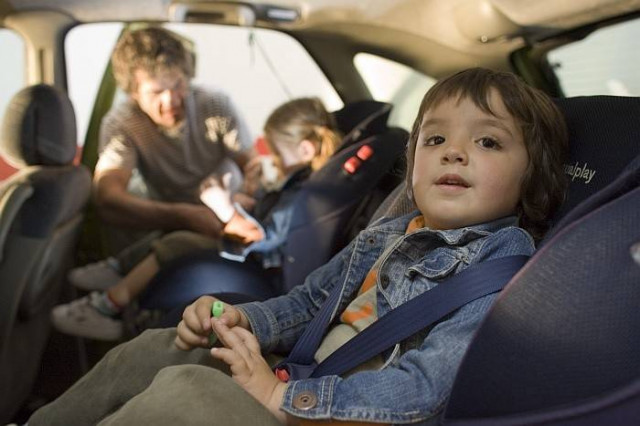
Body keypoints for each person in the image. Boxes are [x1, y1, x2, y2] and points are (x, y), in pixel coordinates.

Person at [30, 68, 568, 425]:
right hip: (303, 378)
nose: (454, 153)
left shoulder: (498, 260)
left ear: (533, 176)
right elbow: (309, 303)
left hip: (338, 411)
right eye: (435, 139)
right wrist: (243, 322)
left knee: (188, 394)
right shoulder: (390, 231)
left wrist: (282, 399)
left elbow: (426, 388)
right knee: (164, 347)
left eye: (488, 141)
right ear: (414, 161)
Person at [51, 97, 342, 342]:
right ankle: (119, 270)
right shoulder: (305, 184)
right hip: (258, 257)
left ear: (305, 150)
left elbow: (263, 239)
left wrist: (226, 208)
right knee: (183, 223)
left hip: (265, 269)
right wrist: (249, 199)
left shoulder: (309, 192)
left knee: (180, 241)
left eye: (276, 153)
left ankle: (109, 304)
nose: (273, 160)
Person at [69, 26, 256, 288]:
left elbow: (250, 164)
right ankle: (120, 272)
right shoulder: (122, 124)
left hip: (225, 208)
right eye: (156, 92)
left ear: (188, 76)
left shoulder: (214, 105)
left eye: (178, 85)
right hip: (167, 212)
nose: (171, 101)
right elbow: (108, 196)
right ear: (132, 92)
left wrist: (246, 193)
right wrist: (183, 215)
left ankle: (119, 274)